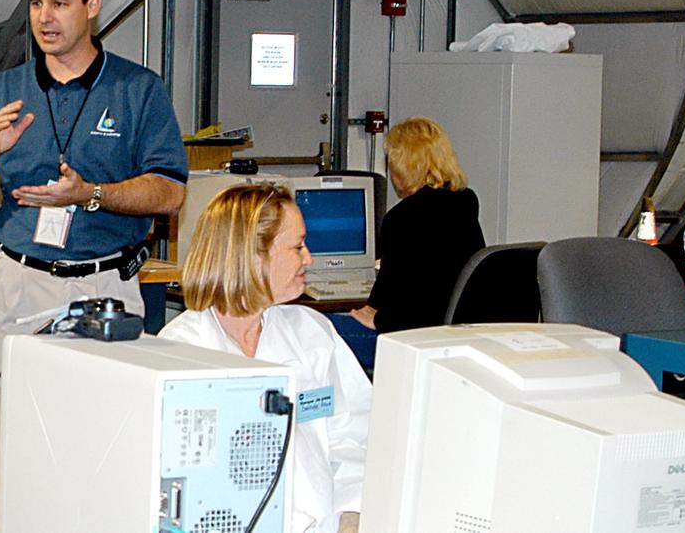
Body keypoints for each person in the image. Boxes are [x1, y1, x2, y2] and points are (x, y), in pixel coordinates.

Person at [0, 0, 188, 529]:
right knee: (10, 434)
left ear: (92, 6)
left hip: (107, 285)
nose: (45, 18)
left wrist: (91, 194)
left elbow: (170, 192)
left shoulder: (138, 90)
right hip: (21, 285)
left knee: (104, 436)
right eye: (34, 4)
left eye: (59, 2)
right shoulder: (4, 92)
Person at [159, 183, 368, 533]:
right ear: (252, 257)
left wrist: (352, 515)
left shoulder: (312, 332)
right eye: (297, 246)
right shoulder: (184, 352)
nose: (309, 259)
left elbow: (354, 437)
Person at [350, 116, 484, 333]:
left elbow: (381, 302)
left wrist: (373, 316)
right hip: (458, 332)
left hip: (410, 335)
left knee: (325, 330)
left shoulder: (401, 218)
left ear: (402, 166)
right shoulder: (466, 201)